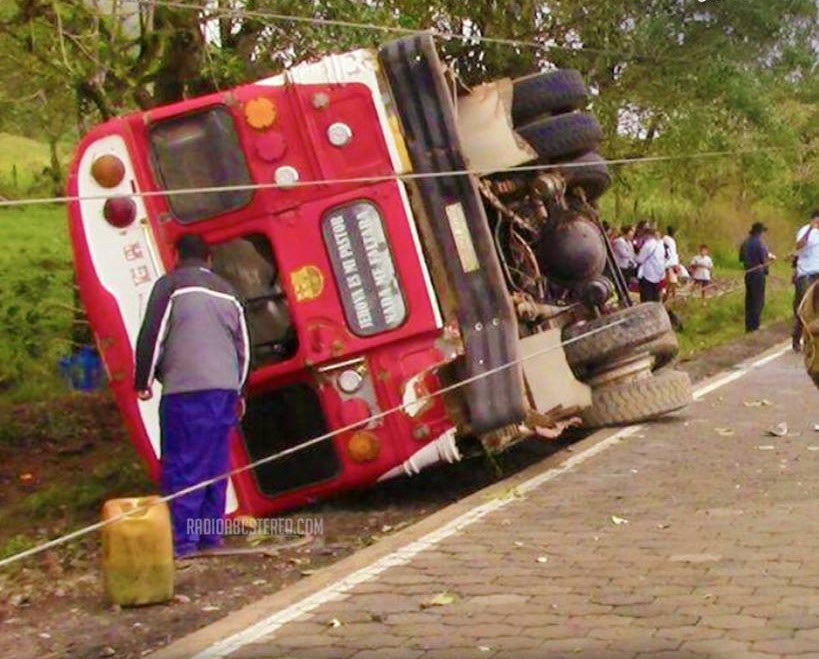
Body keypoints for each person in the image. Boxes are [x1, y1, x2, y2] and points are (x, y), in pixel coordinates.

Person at [134, 234, 249, 558]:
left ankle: (183, 543)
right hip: (225, 390)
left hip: (186, 390)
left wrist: (143, 379)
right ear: (209, 259)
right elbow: (244, 349)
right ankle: (210, 537)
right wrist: (240, 390)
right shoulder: (229, 293)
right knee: (215, 463)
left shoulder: (170, 286)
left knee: (184, 463)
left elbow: (152, 335)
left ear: (175, 255)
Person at [739, 221, 775, 333]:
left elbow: (740, 259)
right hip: (758, 273)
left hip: (748, 272)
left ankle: (748, 326)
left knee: (749, 299)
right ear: (759, 232)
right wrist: (767, 269)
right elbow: (763, 260)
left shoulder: (744, 243)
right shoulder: (760, 243)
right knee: (758, 299)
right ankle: (755, 325)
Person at [792, 209, 819, 351]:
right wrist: (810, 229)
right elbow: (799, 245)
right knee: (804, 307)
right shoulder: (805, 231)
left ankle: (814, 339)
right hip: (807, 275)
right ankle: (796, 338)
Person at [635, 226, 666, 302]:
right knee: (655, 296)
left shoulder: (648, 245)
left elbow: (640, 259)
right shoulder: (660, 245)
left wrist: (635, 257)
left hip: (647, 274)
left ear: (647, 235)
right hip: (658, 275)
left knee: (646, 297)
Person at [663, 226, 681, 299]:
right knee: (670, 281)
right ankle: (667, 296)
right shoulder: (667, 240)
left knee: (672, 281)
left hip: (672, 262)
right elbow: (669, 252)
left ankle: (671, 296)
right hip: (669, 262)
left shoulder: (669, 240)